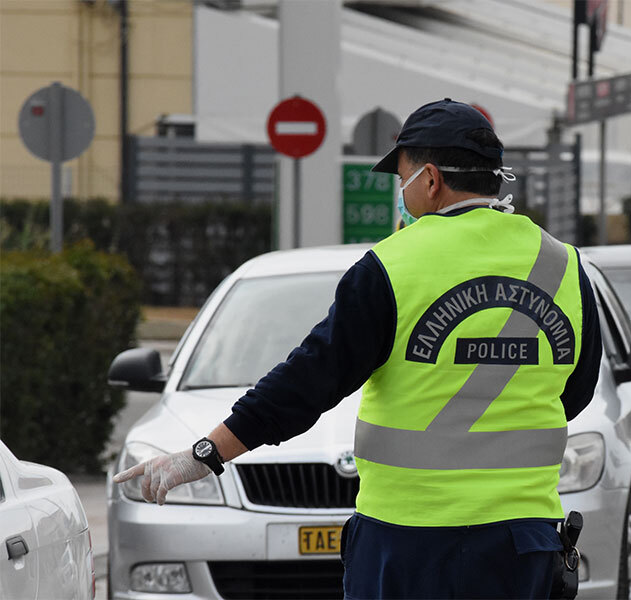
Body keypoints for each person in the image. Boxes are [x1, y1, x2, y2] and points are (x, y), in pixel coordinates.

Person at [114, 98, 603, 599]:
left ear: (431, 180)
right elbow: (575, 393)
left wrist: (205, 453)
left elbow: (308, 382)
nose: (401, 190)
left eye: (403, 177)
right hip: (523, 544)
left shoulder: (392, 266)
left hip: (409, 541)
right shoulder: (564, 266)